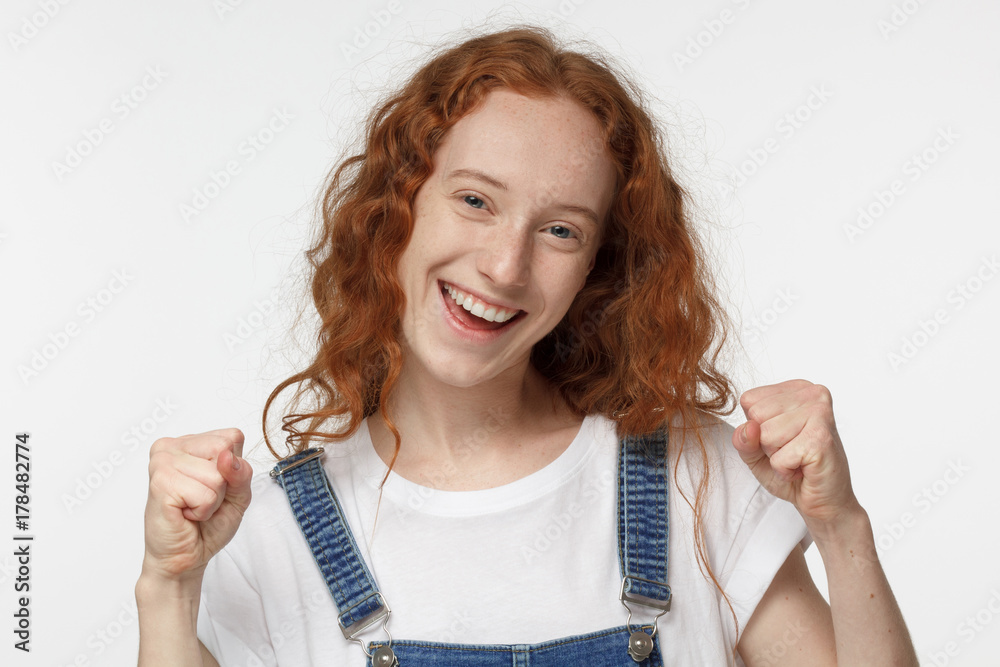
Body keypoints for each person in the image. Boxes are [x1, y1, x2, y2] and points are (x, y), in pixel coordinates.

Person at [135, 25, 919, 666]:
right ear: (397, 206)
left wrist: (842, 527)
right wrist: (167, 589)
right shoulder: (270, 533)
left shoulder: (696, 483)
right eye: (476, 200)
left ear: (598, 269)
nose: (505, 266)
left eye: (560, 230)